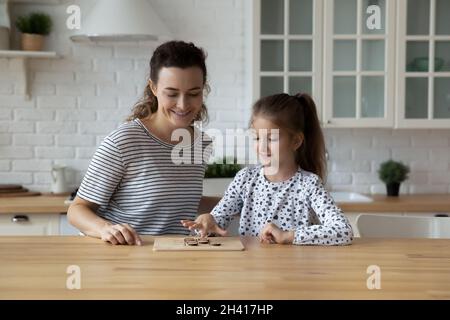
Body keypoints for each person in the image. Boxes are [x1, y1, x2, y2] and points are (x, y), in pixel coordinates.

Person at [68, 41, 217, 246]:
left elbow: (180, 200)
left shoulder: (201, 143)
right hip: (124, 257)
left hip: (175, 255)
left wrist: (239, 200)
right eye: (172, 93)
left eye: (193, 93)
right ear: (153, 88)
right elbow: (76, 210)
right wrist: (106, 228)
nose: (183, 104)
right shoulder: (123, 141)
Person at [182, 93, 353, 245]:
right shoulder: (245, 179)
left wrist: (288, 236)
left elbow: (343, 230)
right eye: (257, 138)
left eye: (271, 138)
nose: (262, 147)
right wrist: (208, 221)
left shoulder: (309, 185)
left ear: (296, 141)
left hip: (296, 274)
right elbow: (217, 221)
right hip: (251, 274)